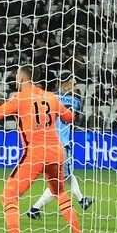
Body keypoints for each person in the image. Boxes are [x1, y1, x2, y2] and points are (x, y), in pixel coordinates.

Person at [0, 67, 84, 233]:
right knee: (59, 192)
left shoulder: (19, 99)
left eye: (16, 76)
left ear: (22, 78)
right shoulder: (51, 97)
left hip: (35, 154)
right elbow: (69, 117)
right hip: (56, 151)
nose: (15, 78)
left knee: (8, 196)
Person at [27, 73, 93, 219]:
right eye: (73, 84)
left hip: (46, 144)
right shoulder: (74, 101)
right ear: (65, 86)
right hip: (61, 145)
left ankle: (82, 200)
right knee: (59, 182)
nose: (76, 87)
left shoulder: (49, 97)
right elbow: (75, 111)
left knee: (67, 175)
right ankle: (34, 209)